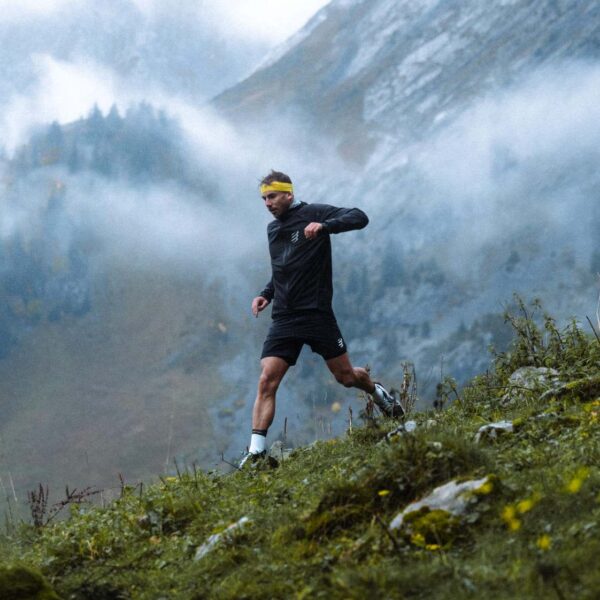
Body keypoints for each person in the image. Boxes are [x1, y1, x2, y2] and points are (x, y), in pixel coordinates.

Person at [240, 170, 403, 467]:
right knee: (267, 380)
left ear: (288, 194)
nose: (267, 203)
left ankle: (378, 394)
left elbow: (359, 217)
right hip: (284, 318)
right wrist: (266, 293)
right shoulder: (273, 229)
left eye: (272, 197)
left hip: (316, 314)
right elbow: (284, 268)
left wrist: (326, 226)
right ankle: (256, 454)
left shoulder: (313, 213)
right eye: (263, 199)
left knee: (346, 377)